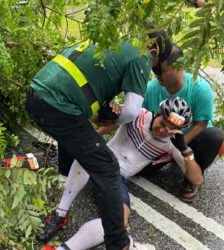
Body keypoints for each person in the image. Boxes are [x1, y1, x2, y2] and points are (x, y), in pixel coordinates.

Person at [26, 35, 165, 249]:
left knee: (81, 144)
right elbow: (131, 111)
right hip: (59, 106)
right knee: (107, 166)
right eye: (157, 62)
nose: (154, 67)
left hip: (36, 95)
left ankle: (61, 210)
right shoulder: (141, 56)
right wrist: (114, 119)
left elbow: (86, 81)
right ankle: (119, 244)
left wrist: (102, 110)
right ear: (154, 50)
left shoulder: (113, 40)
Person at [39, 97, 200, 250]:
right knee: (87, 152)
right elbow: (98, 127)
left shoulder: (173, 144)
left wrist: (185, 150)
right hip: (103, 161)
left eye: (172, 130)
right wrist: (110, 110)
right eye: (163, 123)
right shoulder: (138, 115)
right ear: (157, 114)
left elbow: (196, 179)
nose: (165, 131)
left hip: (117, 177)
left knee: (119, 224)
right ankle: (60, 214)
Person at [140, 44, 224, 203]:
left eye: (163, 71)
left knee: (214, 136)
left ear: (179, 66)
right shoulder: (151, 89)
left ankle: (191, 178)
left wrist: (177, 149)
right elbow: (141, 119)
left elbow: (200, 124)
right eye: (155, 70)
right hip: (162, 140)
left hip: (188, 141)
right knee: (140, 172)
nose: (158, 75)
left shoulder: (200, 88)